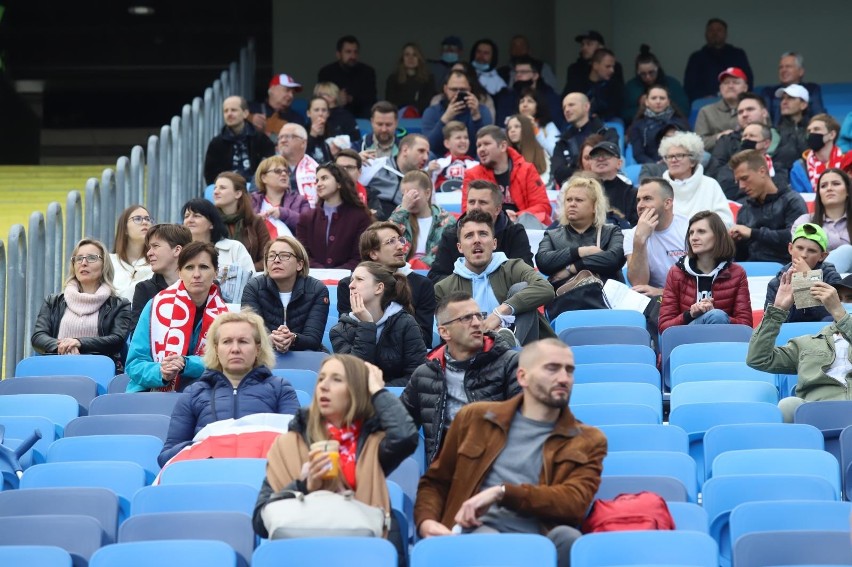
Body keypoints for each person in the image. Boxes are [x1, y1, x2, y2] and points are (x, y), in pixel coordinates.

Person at [414, 338, 607, 567]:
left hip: (541, 539)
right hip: (477, 531)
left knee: (569, 539)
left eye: (569, 370)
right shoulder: (475, 418)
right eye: (552, 369)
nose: (564, 378)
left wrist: (503, 492)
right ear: (522, 377)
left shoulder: (586, 440)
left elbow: (574, 503)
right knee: (488, 542)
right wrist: (426, 521)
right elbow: (436, 482)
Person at [253, 355, 418, 557]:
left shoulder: (370, 443)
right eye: (321, 378)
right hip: (302, 553)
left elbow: (406, 436)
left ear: (357, 391)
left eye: (337, 379)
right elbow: (260, 522)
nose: (324, 386)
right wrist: (303, 485)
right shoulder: (289, 444)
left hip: (363, 553)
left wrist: (376, 391)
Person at [157, 311, 300, 466]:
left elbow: (297, 445)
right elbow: (167, 458)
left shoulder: (280, 388)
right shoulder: (193, 393)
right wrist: (207, 446)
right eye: (227, 342)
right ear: (216, 349)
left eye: (243, 341)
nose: (235, 349)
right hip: (207, 476)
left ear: (258, 348)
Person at [402, 291, 521, 466]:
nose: (476, 323)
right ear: (444, 332)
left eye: (479, 316)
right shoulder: (426, 374)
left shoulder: (509, 363)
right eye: (466, 318)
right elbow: (398, 425)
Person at [436, 210, 555, 345]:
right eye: (469, 236)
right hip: (474, 355)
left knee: (521, 288)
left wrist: (501, 312)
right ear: (460, 247)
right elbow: (447, 337)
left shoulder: (513, 267)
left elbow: (546, 288)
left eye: (483, 234)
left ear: (494, 243)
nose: (477, 240)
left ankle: (510, 346)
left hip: (521, 355)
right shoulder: (443, 288)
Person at [747, 271, 852, 422]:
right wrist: (778, 310)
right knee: (788, 405)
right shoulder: (807, 343)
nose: (840, 303)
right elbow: (758, 359)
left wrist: (839, 312)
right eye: (838, 298)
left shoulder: (839, 311)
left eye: (850, 299)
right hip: (817, 410)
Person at [126, 241, 229, 392]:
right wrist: (161, 371)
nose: (196, 274)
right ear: (179, 272)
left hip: (205, 393)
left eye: (204, 267)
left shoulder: (226, 317)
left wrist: (186, 364)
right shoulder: (155, 306)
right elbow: (135, 363)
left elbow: (225, 361)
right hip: (150, 392)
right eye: (189, 267)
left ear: (216, 272)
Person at [32, 238, 131, 369]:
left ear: (104, 264)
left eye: (91, 258)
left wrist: (79, 343)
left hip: (99, 369)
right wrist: (64, 347)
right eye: (78, 258)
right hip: (55, 366)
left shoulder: (120, 304)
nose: (83, 263)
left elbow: (117, 340)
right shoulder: (53, 301)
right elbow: (38, 337)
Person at [336, 220, 437, 348]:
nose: (401, 246)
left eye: (400, 240)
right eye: (391, 242)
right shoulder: (349, 285)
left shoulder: (422, 285)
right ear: (373, 254)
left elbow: (424, 340)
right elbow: (347, 336)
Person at [331, 261, 426, 387]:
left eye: (359, 279)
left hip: (399, 401)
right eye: (351, 280)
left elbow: (417, 376)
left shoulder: (406, 324)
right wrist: (366, 325)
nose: (351, 285)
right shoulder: (340, 330)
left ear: (379, 288)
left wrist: (380, 390)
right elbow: (354, 377)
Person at [658, 211, 752, 332]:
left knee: (716, 316)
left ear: (719, 236)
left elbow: (746, 326)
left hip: (725, 337)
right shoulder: (676, 273)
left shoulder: (737, 273)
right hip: (685, 339)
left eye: (701, 232)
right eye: (691, 233)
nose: (694, 237)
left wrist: (715, 315)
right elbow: (664, 327)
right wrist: (690, 314)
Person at [429, 180, 533, 284]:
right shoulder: (451, 235)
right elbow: (436, 277)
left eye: (482, 202)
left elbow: (525, 275)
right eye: (471, 202)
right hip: (462, 297)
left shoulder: (514, 233)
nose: (475, 207)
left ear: (497, 209)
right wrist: (470, 286)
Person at [241, 236, 330, 353]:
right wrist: (270, 340)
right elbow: (250, 334)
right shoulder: (253, 287)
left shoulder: (317, 290)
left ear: (299, 264)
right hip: (263, 353)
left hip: (304, 354)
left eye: (284, 255)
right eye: (271, 256)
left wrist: (293, 339)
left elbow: (313, 339)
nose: (276, 260)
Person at [536, 175, 626, 286]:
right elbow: (543, 262)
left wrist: (572, 268)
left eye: (579, 200)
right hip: (564, 300)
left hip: (604, 300)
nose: (572, 204)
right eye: (568, 200)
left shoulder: (612, 232)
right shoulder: (552, 235)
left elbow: (614, 259)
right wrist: (582, 251)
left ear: (594, 206)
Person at [728, 150, 808, 263]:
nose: (741, 186)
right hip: (750, 273)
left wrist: (753, 233)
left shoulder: (792, 200)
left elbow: (797, 239)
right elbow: (742, 256)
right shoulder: (744, 210)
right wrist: (735, 242)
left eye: (745, 178)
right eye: (738, 181)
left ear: (762, 171)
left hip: (786, 271)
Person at [462, 125, 551, 226]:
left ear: (503, 146)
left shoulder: (527, 170)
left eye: (486, 144)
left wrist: (516, 216)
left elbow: (543, 206)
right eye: (479, 145)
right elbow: (467, 209)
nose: (481, 149)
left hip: (522, 226)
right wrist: (499, 217)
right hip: (488, 226)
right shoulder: (472, 174)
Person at [297, 162, 373, 270]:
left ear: (339, 183)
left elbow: (360, 256)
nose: (318, 184)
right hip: (314, 280)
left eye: (324, 178)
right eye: (317, 180)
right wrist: (323, 274)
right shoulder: (306, 218)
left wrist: (336, 275)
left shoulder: (360, 216)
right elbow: (303, 255)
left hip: (350, 281)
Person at [764, 223, 842, 323]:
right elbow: (770, 324)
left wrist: (808, 279)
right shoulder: (776, 283)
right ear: (790, 248)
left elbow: (832, 317)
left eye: (812, 251)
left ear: (822, 256)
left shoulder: (832, 279)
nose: (804, 255)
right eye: (800, 248)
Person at [624, 177, 688, 297]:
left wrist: (663, 293)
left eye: (647, 199)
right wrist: (640, 240)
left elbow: (702, 281)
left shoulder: (689, 229)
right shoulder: (633, 235)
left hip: (689, 300)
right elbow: (638, 284)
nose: (640, 205)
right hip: (655, 303)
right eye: (638, 200)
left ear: (667, 203)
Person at [182, 198, 255, 303]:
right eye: (186, 216)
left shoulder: (234, 248)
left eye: (197, 216)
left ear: (212, 223)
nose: (190, 220)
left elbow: (251, 283)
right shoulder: (178, 252)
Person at [659, 131, 733, 226]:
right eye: (669, 156)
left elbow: (725, 221)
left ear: (693, 161)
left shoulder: (710, 184)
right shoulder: (659, 188)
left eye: (679, 156)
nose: (673, 160)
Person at [389, 170, 457, 269]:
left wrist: (417, 264)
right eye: (405, 196)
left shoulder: (446, 221)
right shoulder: (400, 217)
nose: (409, 200)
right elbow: (385, 242)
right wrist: (403, 209)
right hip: (401, 276)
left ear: (427, 193)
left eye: (413, 195)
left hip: (433, 275)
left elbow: (444, 256)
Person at [203, 96, 276, 186]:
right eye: (226, 111)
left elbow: (270, 166)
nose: (229, 114)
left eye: (233, 110)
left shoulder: (261, 139)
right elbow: (210, 175)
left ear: (245, 113)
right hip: (226, 187)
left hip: (255, 187)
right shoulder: (216, 143)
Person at [131, 224, 192, 328]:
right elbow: (137, 336)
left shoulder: (202, 285)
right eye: (149, 248)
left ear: (177, 250)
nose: (149, 253)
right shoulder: (144, 289)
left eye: (155, 246)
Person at [552, 92, 619, 187]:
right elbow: (558, 172)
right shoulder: (562, 141)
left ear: (586, 106)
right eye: (564, 107)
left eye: (571, 105)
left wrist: (574, 168)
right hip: (575, 189)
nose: (566, 110)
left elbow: (609, 161)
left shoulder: (607, 133)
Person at [792, 169, 852, 273]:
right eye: (823, 186)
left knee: (846, 251)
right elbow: (800, 257)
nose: (829, 188)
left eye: (836, 184)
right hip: (810, 278)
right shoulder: (805, 222)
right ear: (819, 193)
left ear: (847, 191)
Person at [360, 133, 431, 220]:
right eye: (421, 151)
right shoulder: (375, 165)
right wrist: (355, 162)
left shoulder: (423, 181)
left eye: (428, 153)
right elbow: (346, 184)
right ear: (405, 150)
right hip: (371, 222)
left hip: (402, 226)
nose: (426, 157)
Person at [422, 70, 493, 156]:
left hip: (474, 160)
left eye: (463, 90)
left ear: (469, 89)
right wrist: (445, 118)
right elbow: (429, 146)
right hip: (440, 161)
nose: (458, 94)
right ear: (445, 89)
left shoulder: (482, 111)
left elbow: (487, 145)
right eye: (454, 89)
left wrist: (476, 116)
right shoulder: (432, 112)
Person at [683, 18, 753, 102]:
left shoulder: (738, 54)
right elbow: (689, 86)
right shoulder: (696, 57)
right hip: (705, 102)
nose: (715, 33)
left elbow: (747, 79)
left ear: (725, 34)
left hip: (735, 100)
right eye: (711, 30)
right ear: (706, 34)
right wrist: (704, 97)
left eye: (719, 30)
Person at [714, 121, 786, 201]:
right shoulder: (732, 166)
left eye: (752, 136)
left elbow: (779, 188)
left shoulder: (777, 167)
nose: (746, 139)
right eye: (744, 136)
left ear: (766, 143)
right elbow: (727, 190)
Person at [213, 172, 270, 271]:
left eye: (222, 188)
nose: (216, 192)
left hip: (251, 280)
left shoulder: (255, 221)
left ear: (238, 194)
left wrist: (243, 272)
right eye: (215, 188)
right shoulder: (209, 223)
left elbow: (267, 258)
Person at [622, 44, 689, 126]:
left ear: (658, 68)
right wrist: (642, 107)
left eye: (651, 72)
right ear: (637, 73)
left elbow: (685, 110)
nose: (648, 77)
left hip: (670, 126)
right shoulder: (631, 87)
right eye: (643, 74)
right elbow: (623, 114)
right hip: (641, 127)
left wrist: (663, 106)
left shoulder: (672, 84)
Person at [494, 56, 563, 131]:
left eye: (523, 72)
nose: (518, 75)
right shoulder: (506, 97)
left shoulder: (550, 97)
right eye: (516, 72)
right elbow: (501, 126)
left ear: (535, 75)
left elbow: (556, 123)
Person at [317, 35, 377, 119]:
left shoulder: (368, 72)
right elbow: (320, 98)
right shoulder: (326, 72)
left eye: (355, 52)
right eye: (348, 52)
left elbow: (371, 98)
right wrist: (337, 99)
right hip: (333, 115)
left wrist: (351, 99)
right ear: (338, 54)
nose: (353, 56)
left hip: (361, 114)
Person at [628, 85, 689, 165]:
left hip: (679, 163)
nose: (658, 101)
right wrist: (656, 164)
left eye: (662, 98)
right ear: (646, 102)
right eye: (654, 98)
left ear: (668, 102)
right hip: (653, 166)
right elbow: (638, 154)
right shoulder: (638, 125)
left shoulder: (680, 122)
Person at [790, 114, 852, 193]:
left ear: (832, 135)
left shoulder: (848, 164)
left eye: (816, 129)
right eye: (809, 131)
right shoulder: (799, 167)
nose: (811, 133)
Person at [251, 155, 309, 238]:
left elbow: (308, 226)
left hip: (291, 249)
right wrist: (255, 221)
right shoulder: (251, 201)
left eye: (286, 171)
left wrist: (283, 214)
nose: (284, 174)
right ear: (264, 178)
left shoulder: (300, 200)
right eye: (277, 171)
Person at [760, 52, 825, 125]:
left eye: (788, 66)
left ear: (800, 71)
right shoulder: (769, 92)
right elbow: (765, 119)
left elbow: (819, 116)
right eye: (781, 67)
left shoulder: (811, 89)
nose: (783, 70)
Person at [694, 67, 749, 152]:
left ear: (745, 88)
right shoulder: (706, 111)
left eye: (735, 82)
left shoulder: (754, 108)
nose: (730, 86)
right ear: (720, 88)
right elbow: (698, 143)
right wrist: (719, 137)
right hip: (716, 157)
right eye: (726, 83)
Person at [562, 48, 623, 121]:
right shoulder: (576, 84)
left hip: (607, 124)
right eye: (608, 66)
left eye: (613, 67)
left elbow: (616, 110)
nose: (612, 70)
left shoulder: (615, 87)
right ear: (595, 65)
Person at [586, 141, 638, 227]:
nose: (600, 159)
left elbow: (634, 225)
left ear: (619, 163)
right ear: (590, 163)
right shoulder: (581, 189)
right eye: (596, 156)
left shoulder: (631, 193)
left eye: (606, 155)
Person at [563, 30, 625, 99]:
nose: (584, 48)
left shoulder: (615, 67)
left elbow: (619, 96)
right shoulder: (575, 69)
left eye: (589, 44)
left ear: (600, 47)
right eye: (582, 44)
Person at [110, 205, 154, 301]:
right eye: (137, 219)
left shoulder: (157, 263)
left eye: (148, 219)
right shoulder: (109, 261)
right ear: (125, 228)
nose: (145, 222)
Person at [249, 73, 306, 140]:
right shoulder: (252, 108)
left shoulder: (297, 119)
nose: (291, 95)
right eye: (287, 90)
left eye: (293, 93)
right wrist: (250, 118)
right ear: (272, 90)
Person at [385, 42, 436, 116]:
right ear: (402, 58)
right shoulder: (393, 79)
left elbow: (428, 102)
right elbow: (390, 103)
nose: (410, 58)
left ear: (419, 58)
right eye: (407, 55)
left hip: (421, 117)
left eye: (414, 55)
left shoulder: (428, 79)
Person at [429, 121, 479, 193]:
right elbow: (426, 186)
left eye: (466, 138)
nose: (463, 141)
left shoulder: (476, 165)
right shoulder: (437, 164)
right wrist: (429, 172)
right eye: (458, 138)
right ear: (447, 143)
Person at [276, 123, 319, 207]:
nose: (283, 140)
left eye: (288, 137)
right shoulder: (266, 167)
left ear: (303, 142)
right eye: (280, 137)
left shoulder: (317, 169)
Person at [506, 114, 550, 186]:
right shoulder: (506, 154)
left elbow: (543, 181)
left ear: (526, 128)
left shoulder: (539, 152)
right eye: (509, 128)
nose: (512, 130)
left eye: (517, 127)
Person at [775, 85, 810, 169]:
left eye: (790, 98)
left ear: (803, 105)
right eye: (782, 98)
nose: (784, 102)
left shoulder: (812, 131)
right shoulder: (774, 132)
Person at [517, 87, 559, 156]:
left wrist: (535, 130)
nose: (524, 105)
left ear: (538, 105)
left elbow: (554, 152)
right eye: (522, 101)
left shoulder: (548, 126)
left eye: (530, 101)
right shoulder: (512, 126)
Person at [305, 96, 333, 163]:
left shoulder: (334, 132)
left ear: (328, 113)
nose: (320, 114)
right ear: (308, 113)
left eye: (324, 110)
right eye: (316, 110)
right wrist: (312, 135)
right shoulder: (301, 132)